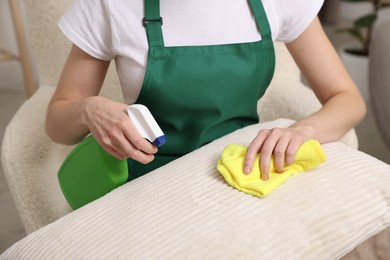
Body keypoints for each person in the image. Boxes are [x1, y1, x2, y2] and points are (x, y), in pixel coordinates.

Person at [45, 0, 366, 182]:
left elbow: (347, 99)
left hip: (244, 169)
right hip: (149, 179)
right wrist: (89, 109)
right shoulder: (109, 5)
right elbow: (57, 122)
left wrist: (302, 130)